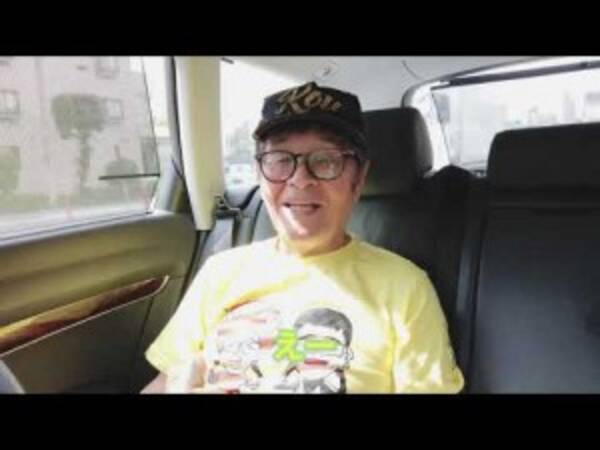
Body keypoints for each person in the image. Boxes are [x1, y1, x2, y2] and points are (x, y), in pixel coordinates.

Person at [142, 81, 464, 394]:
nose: (299, 179)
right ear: (259, 175)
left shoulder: (404, 288)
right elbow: (164, 382)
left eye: (325, 160)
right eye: (281, 160)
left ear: (358, 178)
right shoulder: (220, 272)